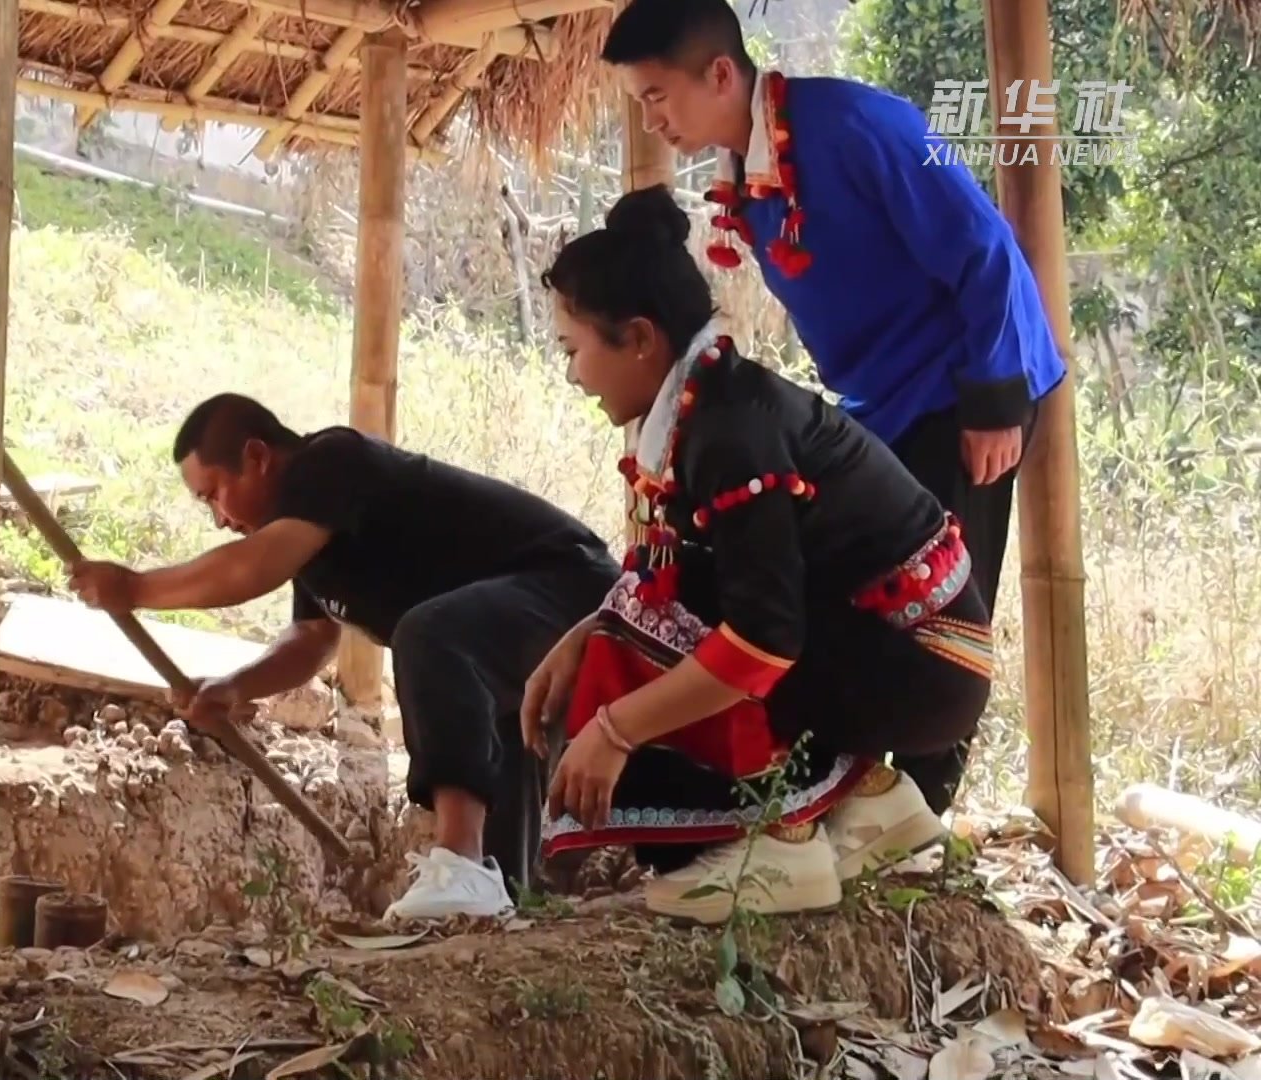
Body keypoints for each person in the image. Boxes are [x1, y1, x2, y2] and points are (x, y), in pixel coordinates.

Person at [599, 0, 1065, 812]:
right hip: (877, 407)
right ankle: (850, 797)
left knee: (938, 622)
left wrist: (994, 398)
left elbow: (983, 247)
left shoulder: (860, 124)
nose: (655, 119)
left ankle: (919, 824)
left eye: (656, 96)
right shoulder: (742, 167)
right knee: (850, 603)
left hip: (962, 389)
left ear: (718, 73)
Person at [522, 184, 996, 925]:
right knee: (640, 614)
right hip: (898, 655)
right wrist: (582, 635)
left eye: (573, 349)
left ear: (641, 339)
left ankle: (783, 841)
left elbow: (763, 641)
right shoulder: (710, 406)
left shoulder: (731, 432)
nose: (574, 373)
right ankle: (870, 798)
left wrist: (615, 731)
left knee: (666, 623)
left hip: (926, 668)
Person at [68, 394, 620, 920]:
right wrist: (236, 687)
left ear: (257, 457)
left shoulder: (331, 461)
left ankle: (461, 865)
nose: (217, 517)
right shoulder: (309, 535)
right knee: (494, 728)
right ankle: (499, 904)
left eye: (213, 493)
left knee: (428, 632)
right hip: (508, 634)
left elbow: (249, 568)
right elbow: (311, 639)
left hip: (573, 589)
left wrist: (136, 588)